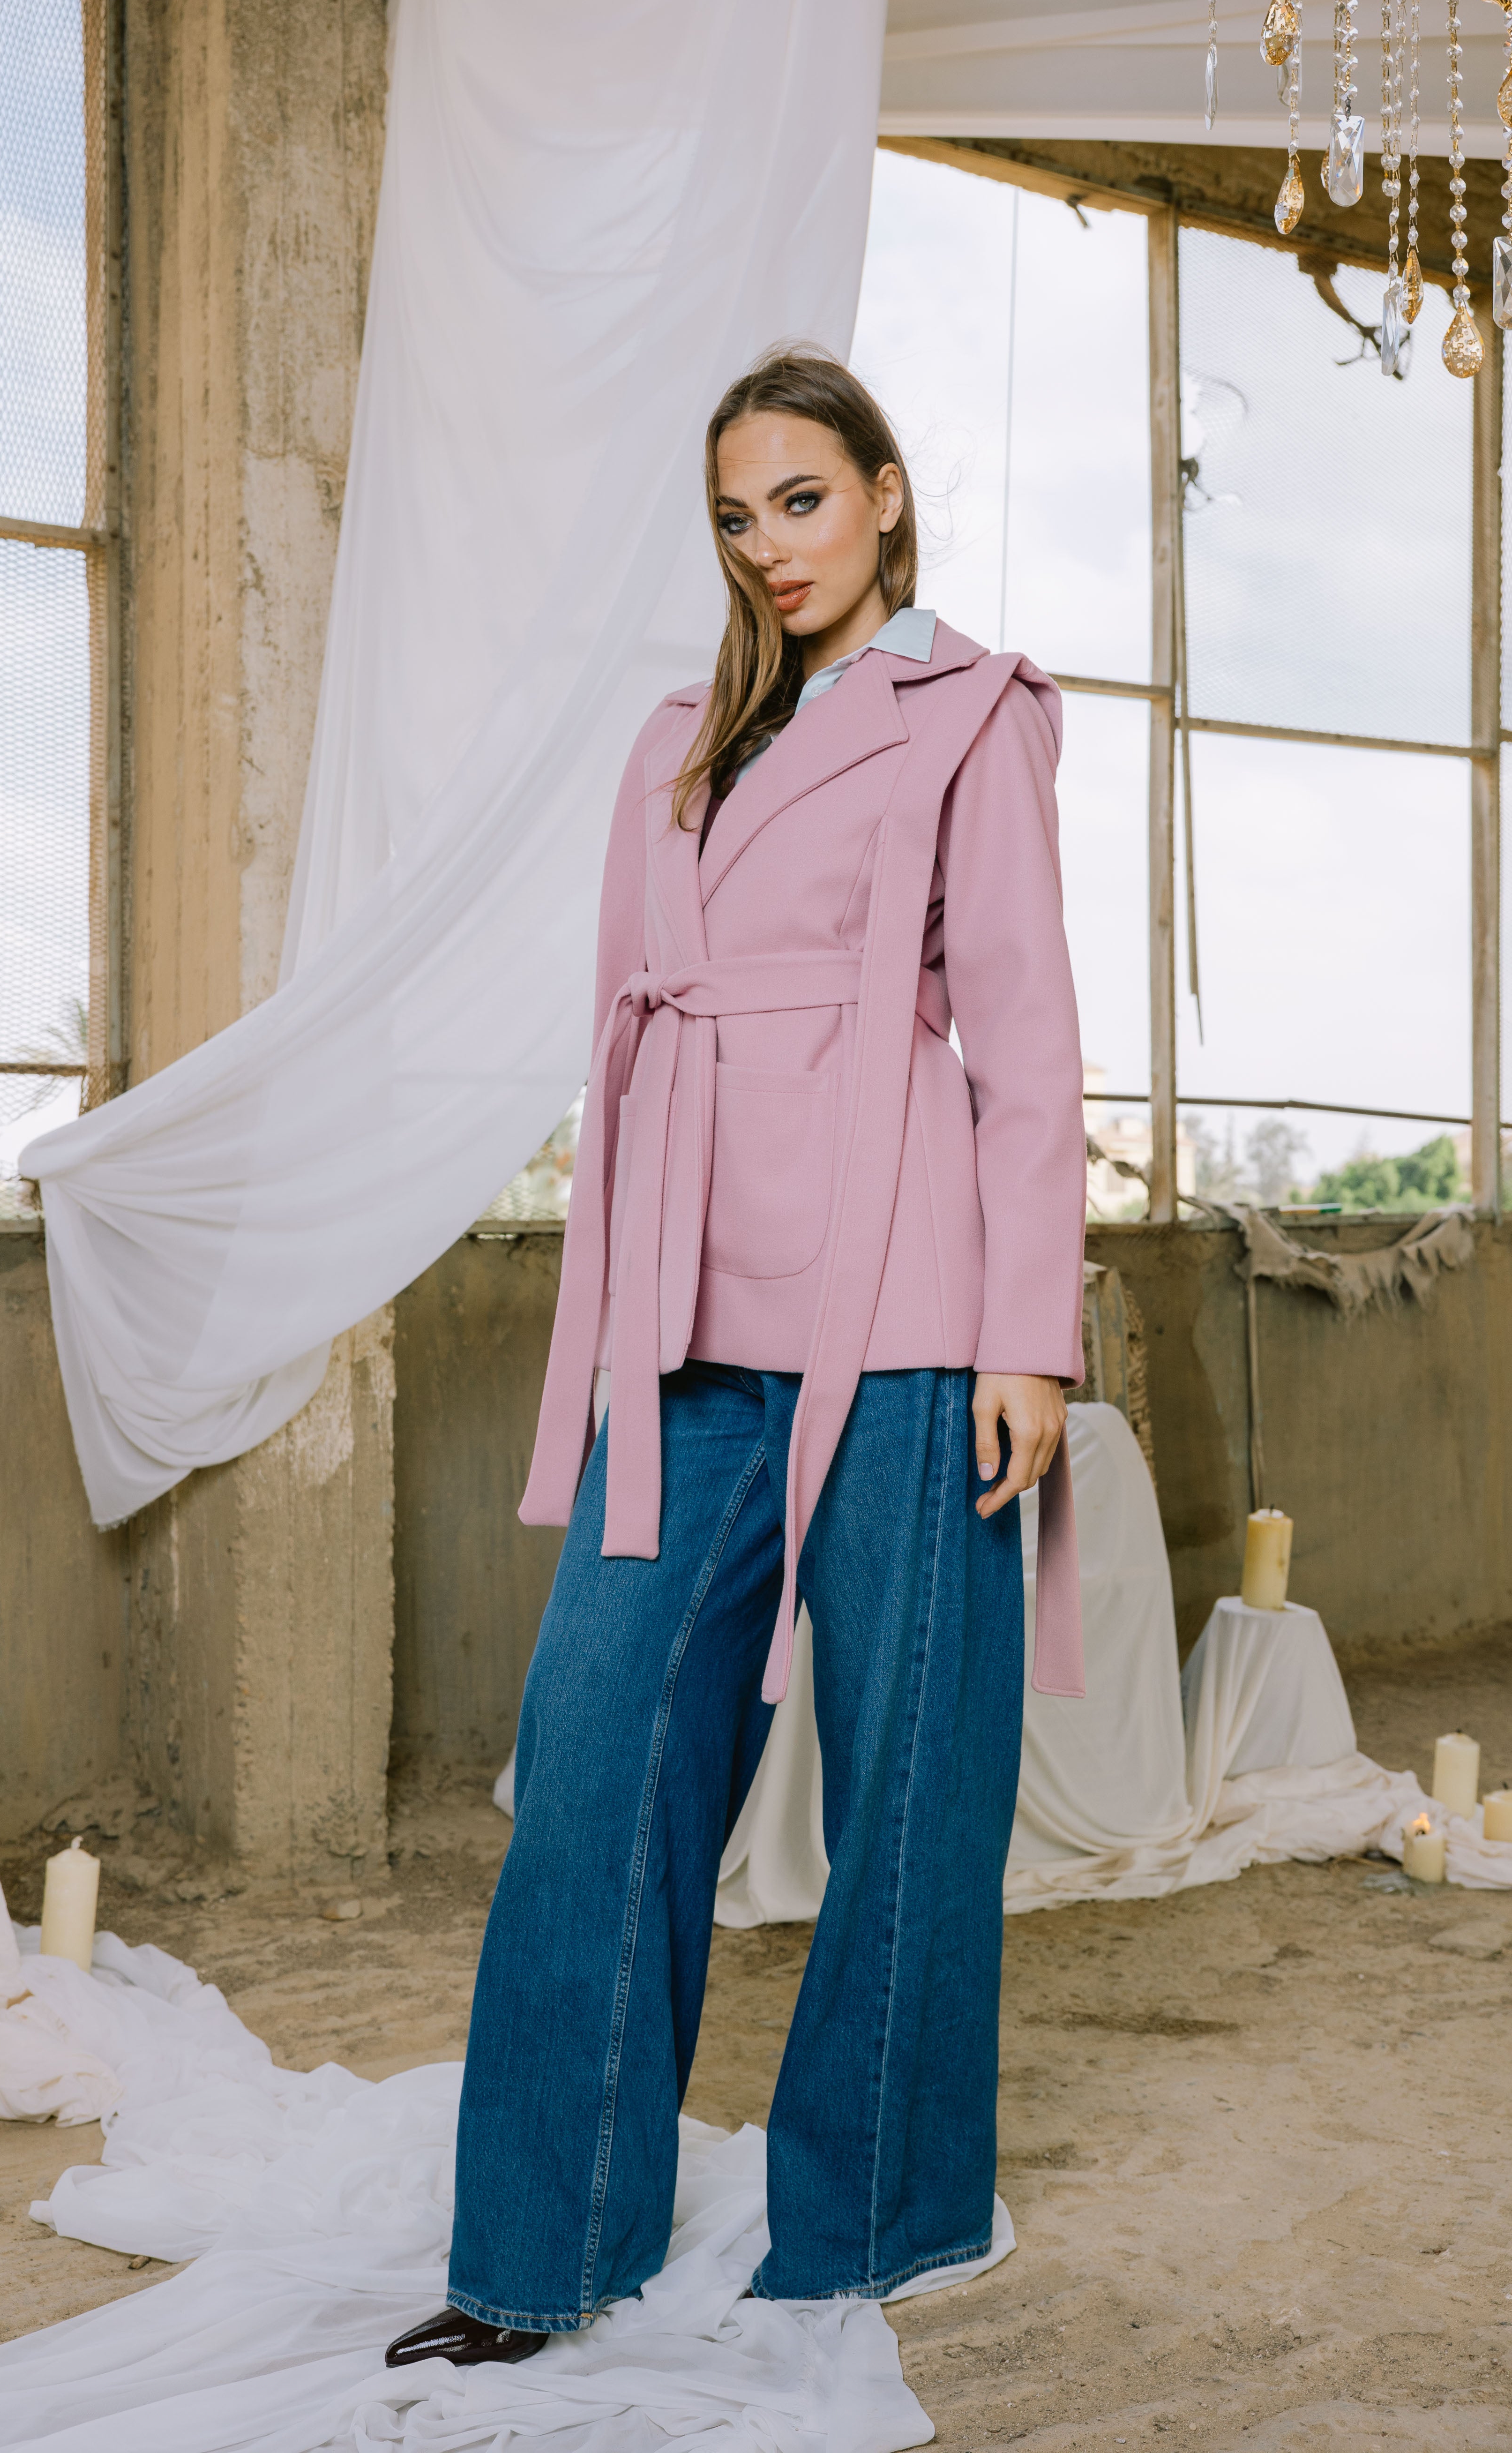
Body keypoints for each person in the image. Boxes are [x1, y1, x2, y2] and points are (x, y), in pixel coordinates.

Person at [386, 346, 1087, 2370]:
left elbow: (1026, 1037)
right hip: (686, 1304)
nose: (771, 544)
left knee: (911, 1775)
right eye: (735, 515)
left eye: (802, 498)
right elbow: (630, 1019)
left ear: (883, 493)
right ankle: (538, 2249)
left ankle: (875, 2218)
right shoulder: (674, 742)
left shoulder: (977, 713)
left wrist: (1030, 1339)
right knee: (596, 1753)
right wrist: (620, 1298)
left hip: (913, 1300)